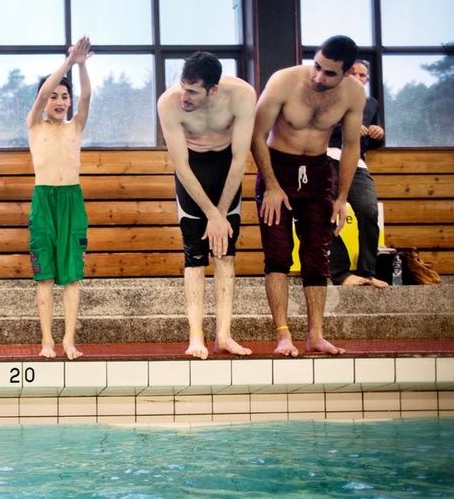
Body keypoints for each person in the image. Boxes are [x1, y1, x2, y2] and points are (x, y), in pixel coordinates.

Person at [251, 35, 366, 356]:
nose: (319, 77)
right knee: (278, 255)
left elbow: (351, 146)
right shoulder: (285, 81)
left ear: (345, 73)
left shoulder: (354, 93)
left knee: (317, 256)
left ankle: (315, 335)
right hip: (278, 168)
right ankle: (283, 336)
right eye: (317, 66)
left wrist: (342, 197)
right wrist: (272, 185)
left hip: (317, 172)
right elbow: (257, 134)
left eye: (330, 73)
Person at [157, 51, 257, 360]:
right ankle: (196, 336)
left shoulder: (242, 95)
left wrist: (223, 212)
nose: (183, 96)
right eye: (183, 87)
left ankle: (224, 335)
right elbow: (181, 166)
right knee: (195, 257)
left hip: (227, 169)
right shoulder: (169, 103)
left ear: (212, 89)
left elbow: (240, 158)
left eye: (192, 91)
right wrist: (213, 214)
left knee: (225, 253)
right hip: (193, 172)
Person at [26, 36, 92, 360]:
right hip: (43, 200)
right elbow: (41, 94)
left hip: (71, 200)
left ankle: (68, 340)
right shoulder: (35, 125)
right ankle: (47, 340)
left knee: (72, 276)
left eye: (64, 96)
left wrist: (80, 66)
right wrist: (67, 62)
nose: (60, 101)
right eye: (55, 96)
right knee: (46, 276)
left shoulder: (75, 127)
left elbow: (87, 97)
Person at [328, 59, 387, 288]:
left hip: (356, 163)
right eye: (352, 72)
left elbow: (373, 144)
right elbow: (318, 128)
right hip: (326, 156)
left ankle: (367, 272)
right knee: (325, 213)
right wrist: (347, 128)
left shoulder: (371, 103)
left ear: (367, 79)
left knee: (369, 212)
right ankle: (340, 272)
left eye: (362, 75)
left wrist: (377, 133)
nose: (357, 77)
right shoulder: (329, 97)